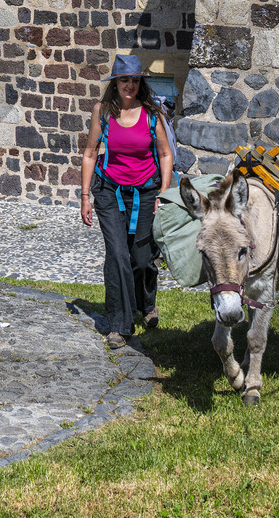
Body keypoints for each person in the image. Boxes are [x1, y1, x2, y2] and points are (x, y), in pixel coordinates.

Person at [80, 54, 174, 348]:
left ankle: (146, 303)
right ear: (115, 83)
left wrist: (163, 193)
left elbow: (165, 154)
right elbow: (90, 154)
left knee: (143, 258)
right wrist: (85, 196)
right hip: (109, 192)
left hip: (146, 193)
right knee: (118, 255)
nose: (129, 85)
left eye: (134, 80)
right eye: (124, 80)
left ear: (140, 83)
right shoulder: (104, 111)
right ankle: (119, 325)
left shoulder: (152, 114)